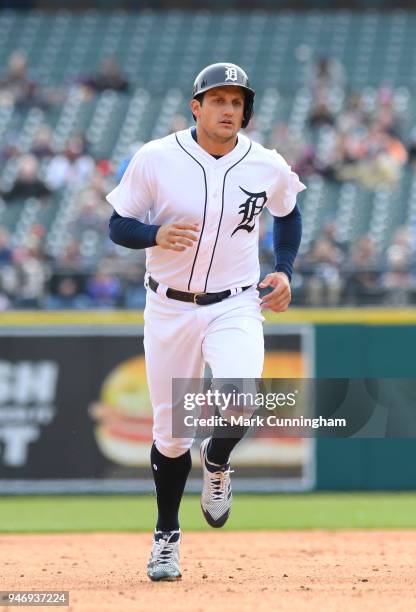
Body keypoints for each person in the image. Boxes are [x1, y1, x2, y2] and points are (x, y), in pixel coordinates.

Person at [106, 62, 305, 581]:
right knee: (171, 436)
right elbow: (118, 223)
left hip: (235, 302)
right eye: (218, 100)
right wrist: (153, 235)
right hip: (168, 307)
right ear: (196, 107)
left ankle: (216, 462)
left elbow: (288, 211)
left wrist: (283, 270)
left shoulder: (265, 163)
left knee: (242, 394)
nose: (228, 110)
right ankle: (166, 536)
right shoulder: (156, 157)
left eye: (237, 102)